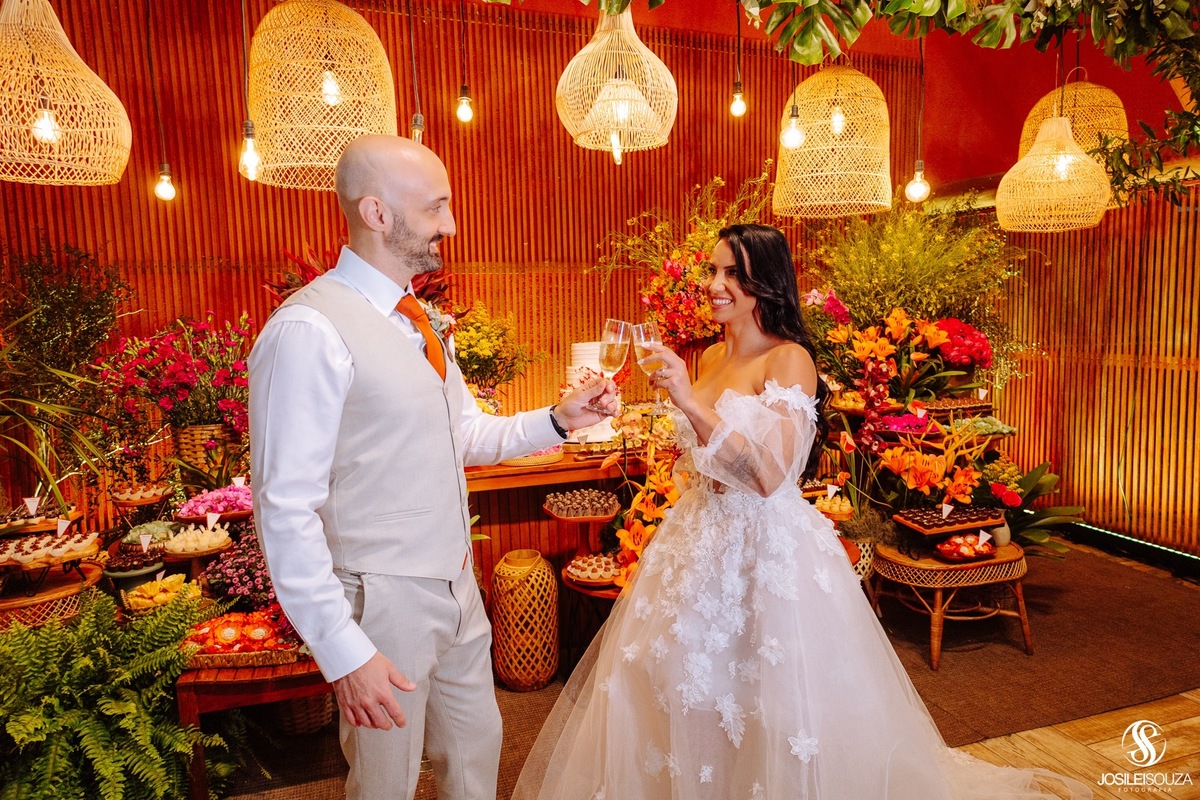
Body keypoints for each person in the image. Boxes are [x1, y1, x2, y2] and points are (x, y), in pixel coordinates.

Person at [513, 224, 1090, 800]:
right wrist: (662, 402)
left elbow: (770, 476)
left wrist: (688, 400)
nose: (716, 284)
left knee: (774, 702)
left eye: (733, 274)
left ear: (767, 282)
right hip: (696, 542)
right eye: (713, 271)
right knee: (680, 686)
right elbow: (698, 456)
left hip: (765, 550)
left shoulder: (790, 360)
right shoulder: (710, 355)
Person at [248, 134, 617, 800]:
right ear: (377, 214)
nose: (450, 224)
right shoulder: (307, 330)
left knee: (477, 757)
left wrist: (560, 419)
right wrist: (342, 648)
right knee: (385, 782)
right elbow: (284, 506)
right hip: (381, 599)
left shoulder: (419, 321)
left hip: (455, 586)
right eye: (436, 207)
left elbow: (464, 434)